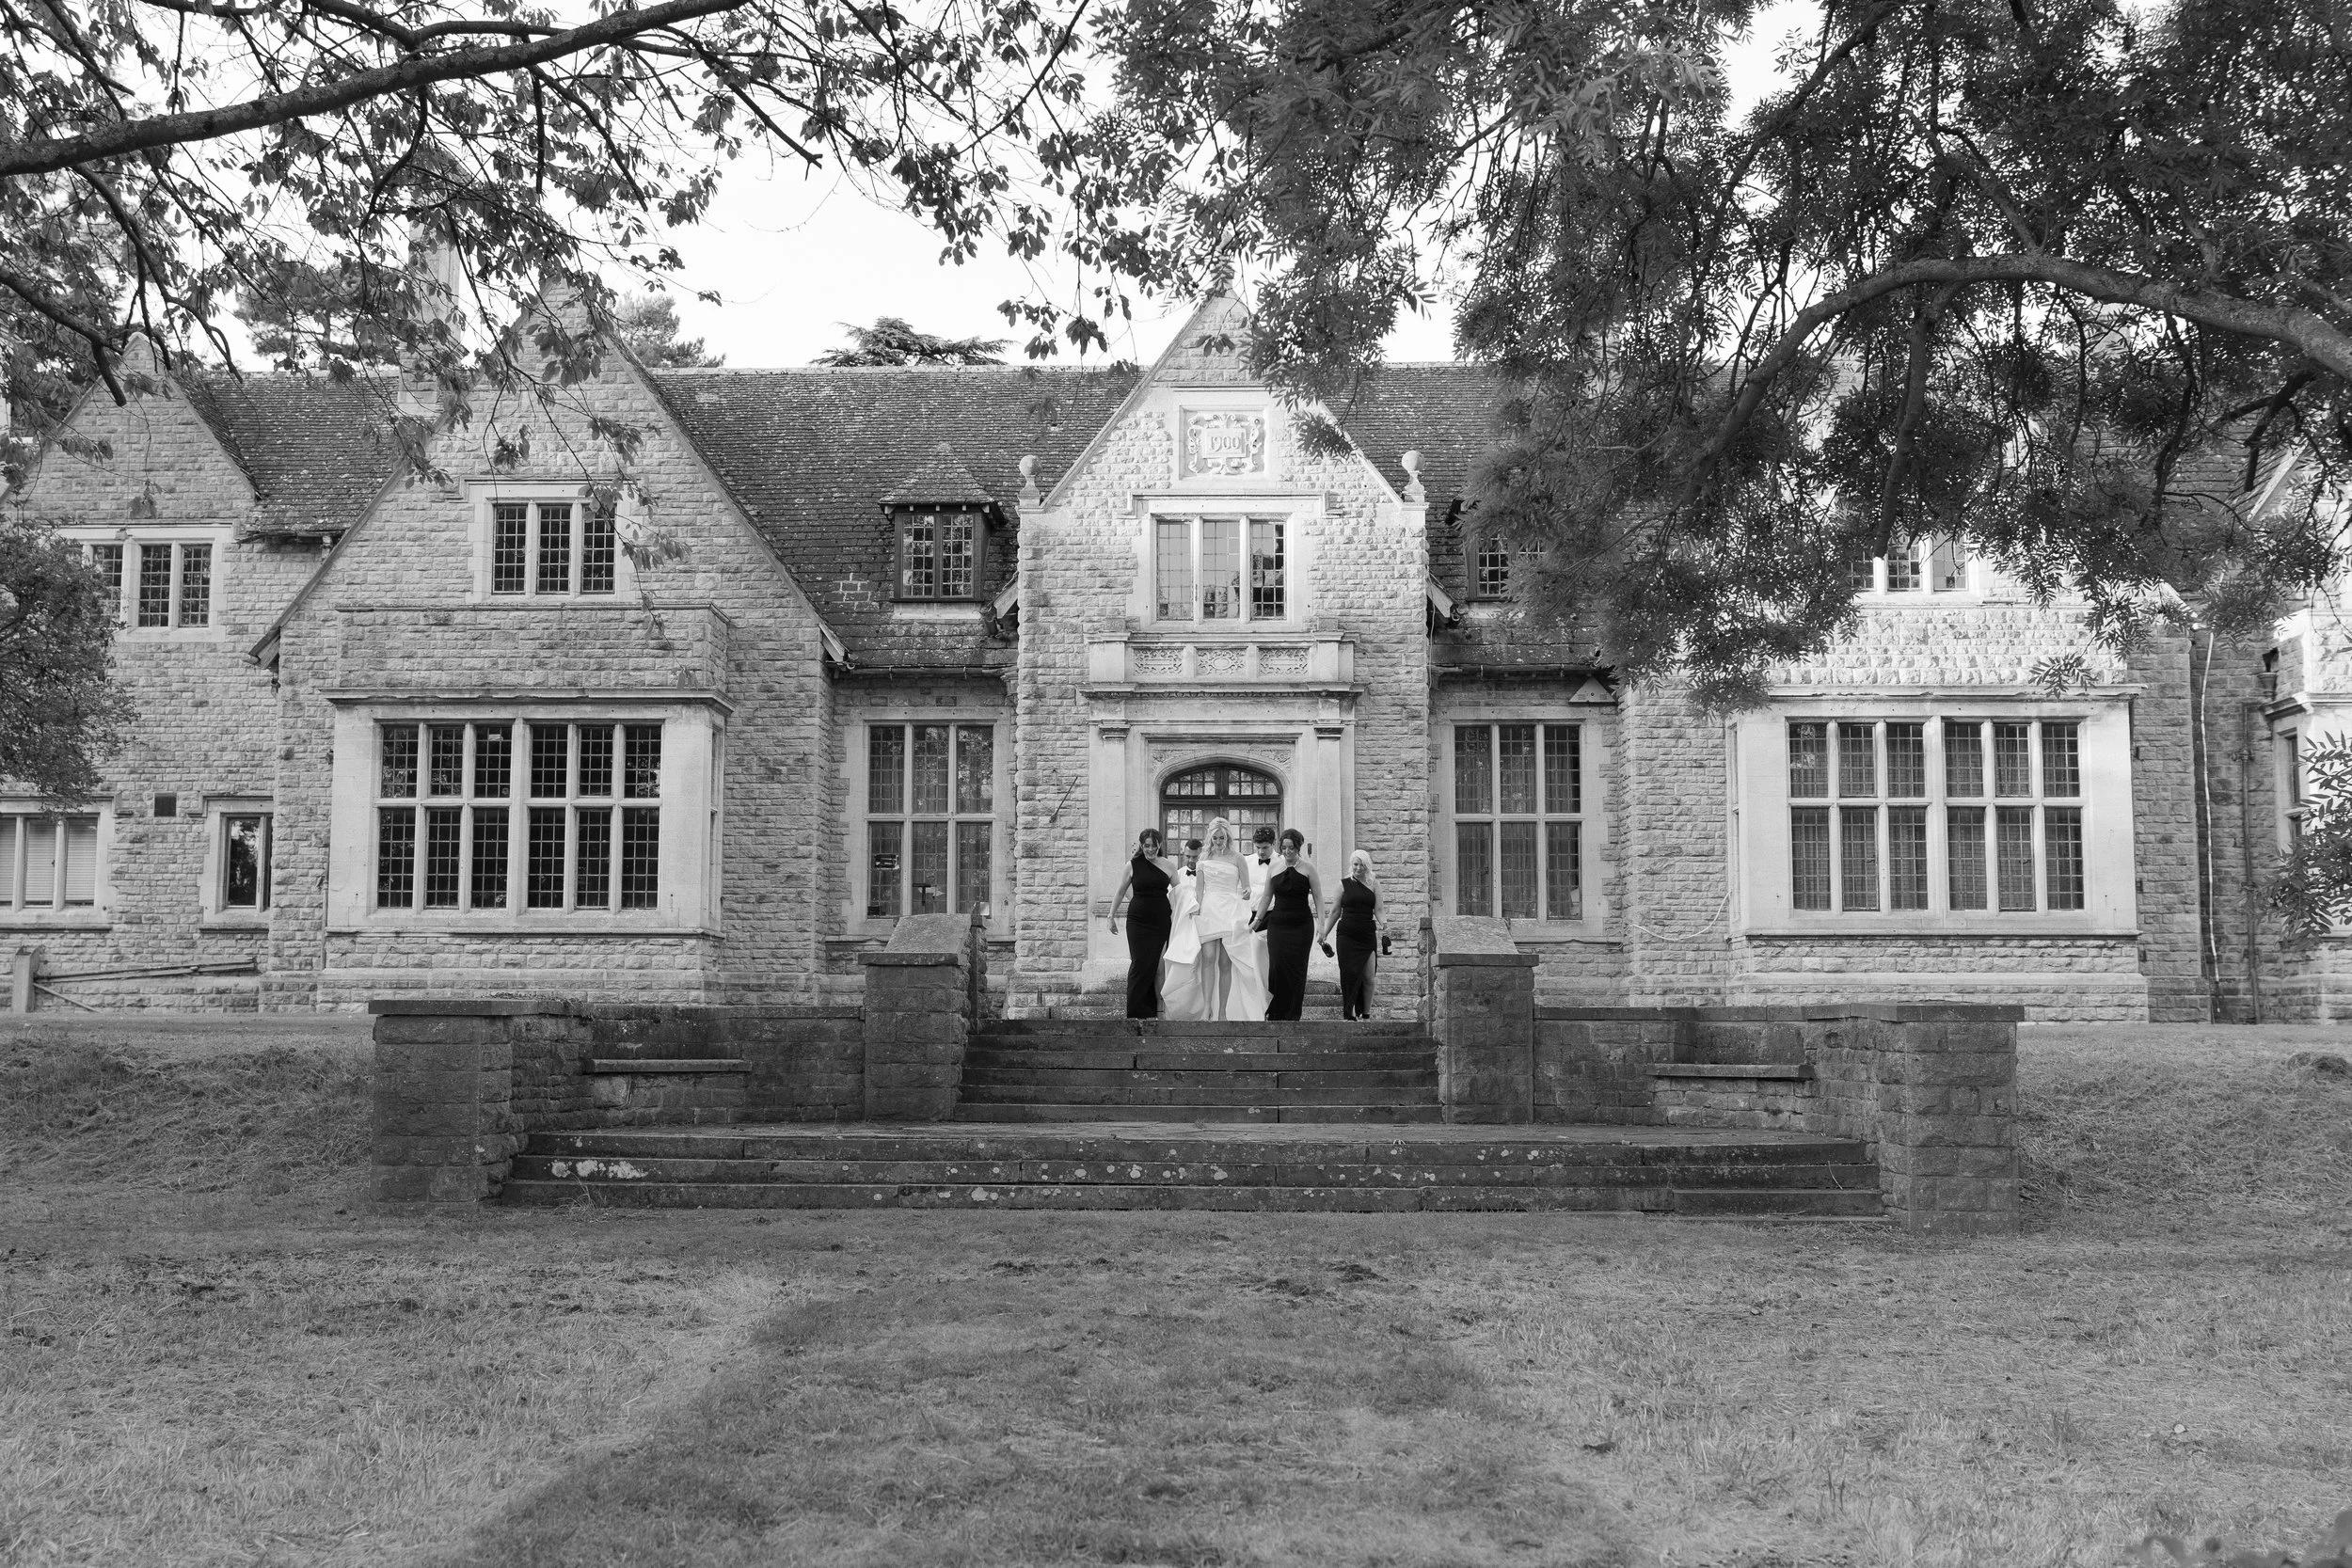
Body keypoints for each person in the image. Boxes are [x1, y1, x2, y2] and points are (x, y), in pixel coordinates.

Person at [1159, 818, 1268, 1021]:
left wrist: (1246, 892)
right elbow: (1199, 890)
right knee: (1208, 957)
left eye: (1222, 837)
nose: (1218, 841)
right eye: (1215, 838)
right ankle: (1207, 1006)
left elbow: (1246, 886)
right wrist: (1196, 909)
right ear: (1211, 837)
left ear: (1228, 836)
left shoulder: (1238, 858)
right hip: (1209, 910)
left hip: (1230, 910)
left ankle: (1222, 1011)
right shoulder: (1203, 857)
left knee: (1225, 963)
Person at [1107, 828, 1182, 1019]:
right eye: (1146, 846)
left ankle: (1154, 1011)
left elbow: (1181, 893)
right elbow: (1120, 892)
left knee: (1157, 966)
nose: (1150, 850)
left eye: (1153, 846)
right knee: (1139, 963)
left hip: (1161, 920)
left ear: (1159, 845)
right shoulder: (1132, 865)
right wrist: (1111, 916)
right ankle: (1135, 1012)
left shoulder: (1169, 866)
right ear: (1141, 846)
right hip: (1138, 921)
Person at [1254, 828, 1324, 1022]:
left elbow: (1318, 897)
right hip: (1278, 925)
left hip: (1302, 926)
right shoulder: (1274, 867)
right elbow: (1267, 896)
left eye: (1291, 848)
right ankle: (1276, 1013)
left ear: (1298, 847)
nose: (1287, 852)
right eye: (1284, 848)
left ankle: (1293, 1015)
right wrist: (1256, 921)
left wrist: (1322, 926)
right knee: (1276, 967)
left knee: (1297, 969)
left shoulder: (1308, 869)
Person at [1319, 848, 1384, 1021]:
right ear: (1351, 865)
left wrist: (1385, 924)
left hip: (1366, 934)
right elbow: (1334, 911)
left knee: (1369, 976)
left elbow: (1379, 910)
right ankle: (1350, 1013)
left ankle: (1367, 1014)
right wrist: (1324, 933)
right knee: (1349, 974)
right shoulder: (1343, 884)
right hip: (1346, 935)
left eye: (1362, 865)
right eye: (1355, 864)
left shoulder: (1374, 884)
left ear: (1367, 865)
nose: (1358, 868)